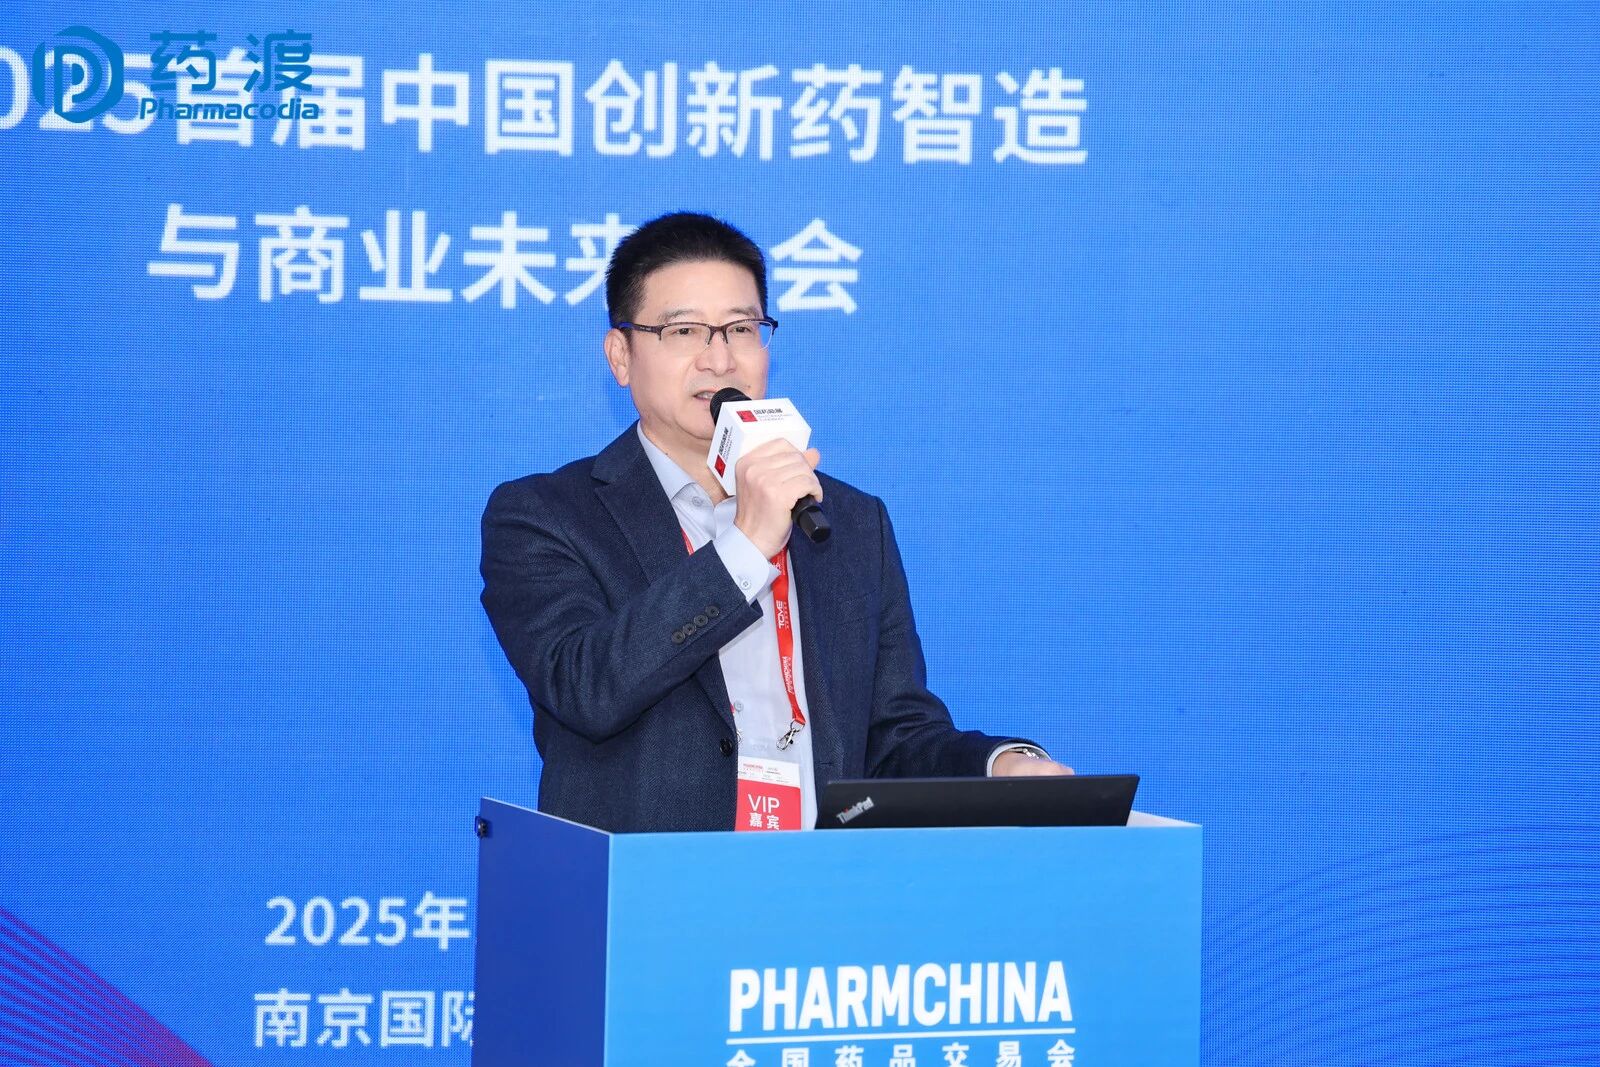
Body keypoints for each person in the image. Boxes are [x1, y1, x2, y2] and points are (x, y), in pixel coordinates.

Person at [480, 212, 1071, 833]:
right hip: (649, 881)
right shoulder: (546, 515)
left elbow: (894, 738)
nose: (719, 360)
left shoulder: (847, 521)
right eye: (684, 331)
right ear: (620, 356)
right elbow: (586, 688)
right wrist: (747, 545)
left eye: (741, 329)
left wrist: (997, 766)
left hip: (817, 880)